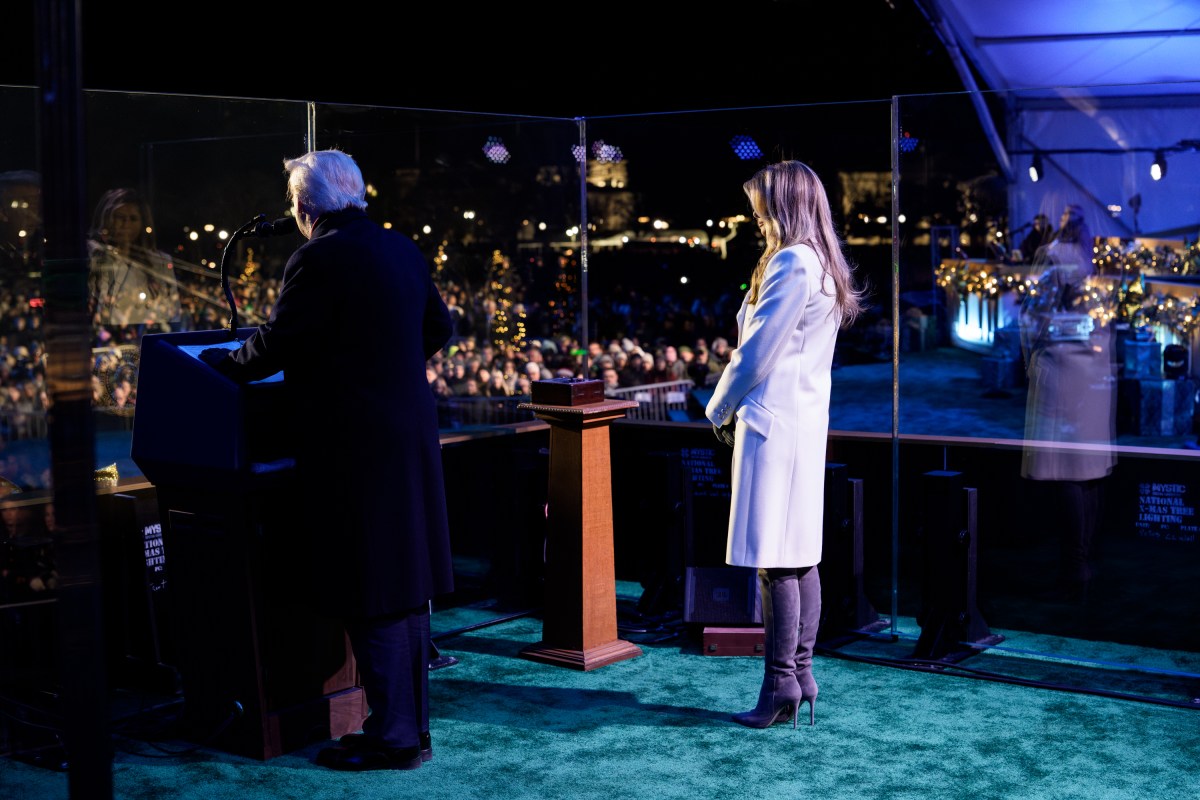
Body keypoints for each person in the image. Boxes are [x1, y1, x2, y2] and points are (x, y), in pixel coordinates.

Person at [199, 149, 454, 772]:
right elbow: (439, 330)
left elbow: (275, 346)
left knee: (371, 587)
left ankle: (393, 739)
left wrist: (218, 365)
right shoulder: (401, 248)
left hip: (356, 449)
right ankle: (409, 730)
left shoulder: (318, 257)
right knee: (406, 585)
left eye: (293, 203)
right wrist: (383, 367)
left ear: (304, 205)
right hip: (408, 435)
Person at [705, 160, 865, 729]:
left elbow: (756, 353)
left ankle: (781, 684)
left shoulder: (793, 262)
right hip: (799, 426)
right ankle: (798, 676)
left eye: (764, 210)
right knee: (799, 557)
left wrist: (716, 405)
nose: (759, 221)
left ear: (786, 207)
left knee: (778, 563)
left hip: (773, 428)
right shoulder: (819, 261)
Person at [1019, 202, 1114, 603]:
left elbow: (1035, 313)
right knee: (1087, 470)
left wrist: (1029, 355)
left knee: (1068, 470)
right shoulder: (1092, 258)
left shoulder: (1054, 256)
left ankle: (1074, 566)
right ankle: (1084, 559)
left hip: (1061, 371)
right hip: (1092, 370)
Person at [87, 187, 181, 343]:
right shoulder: (93, 256)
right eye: (119, 217)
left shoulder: (160, 262)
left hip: (147, 342)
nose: (126, 224)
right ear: (107, 218)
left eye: (133, 218)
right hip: (105, 343)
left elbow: (172, 312)